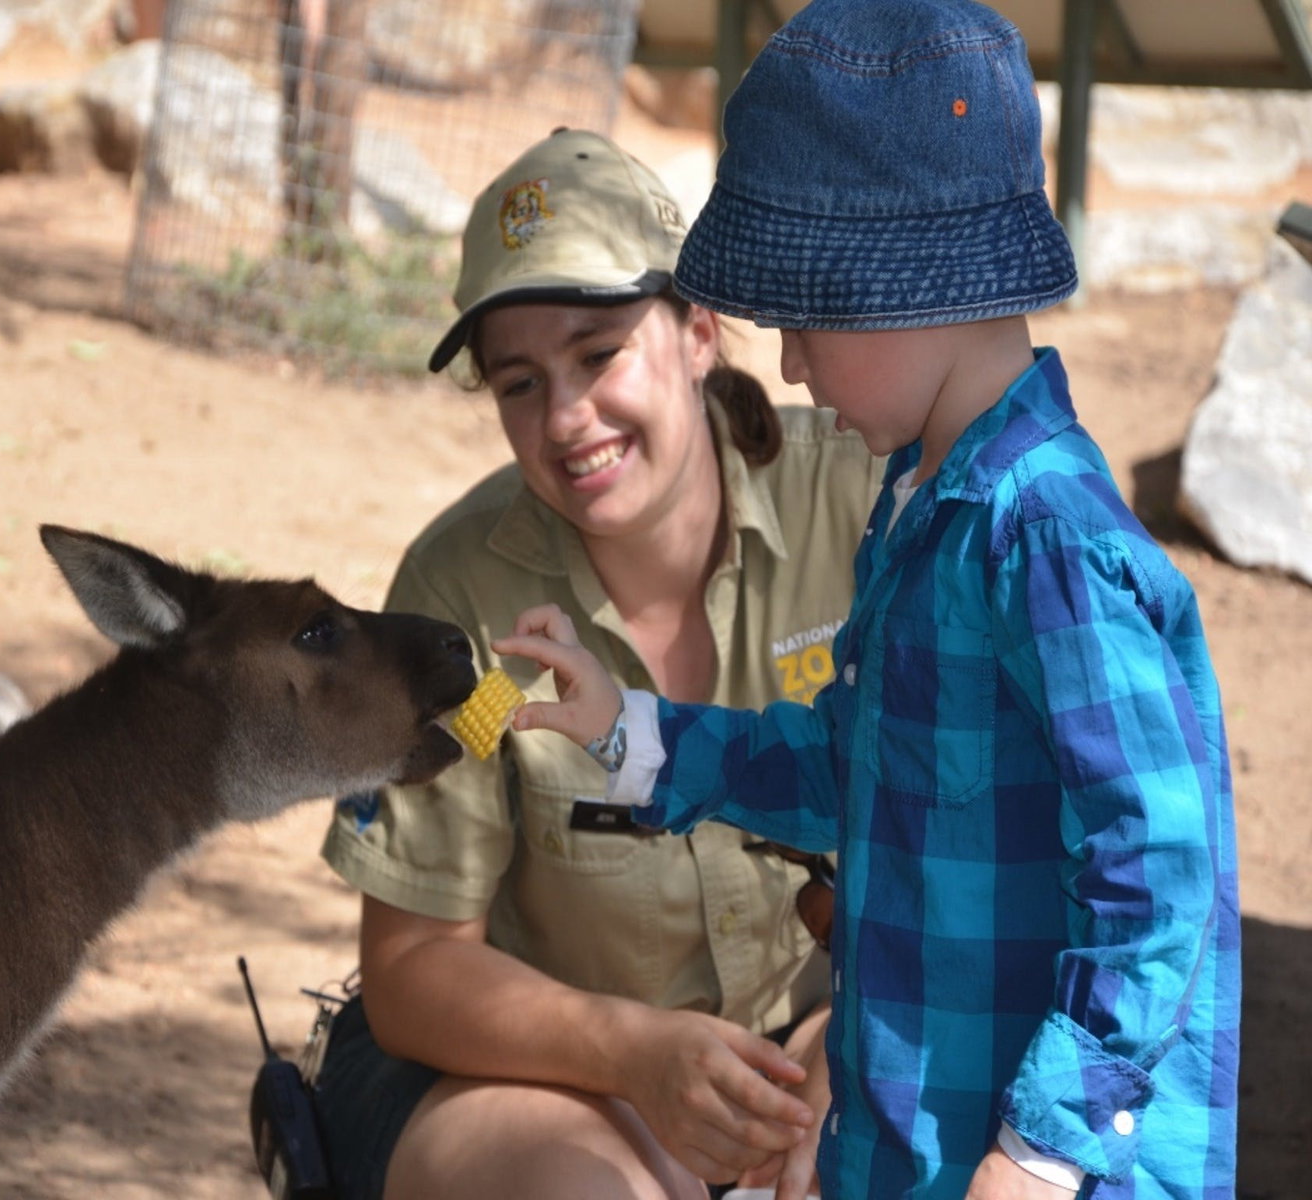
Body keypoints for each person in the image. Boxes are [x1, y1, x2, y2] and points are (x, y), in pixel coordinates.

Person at [493, 4, 1241, 1199]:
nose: (785, 364)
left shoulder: (1042, 541)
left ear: (906, 285)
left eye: (803, 316)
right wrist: (625, 731)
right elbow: (849, 762)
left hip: (1035, 1158)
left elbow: (1155, 873)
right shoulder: (914, 505)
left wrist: (1049, 1144)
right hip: (909, 1145)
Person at [311, 127, 883, 1200]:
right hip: (521, 1077)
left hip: (803, 1049)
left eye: (599, 353)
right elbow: (410, 972)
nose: (565, 419)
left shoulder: (859, 508)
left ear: (700, 330)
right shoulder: (457, 602)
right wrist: (632, 1056)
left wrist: (842, 1038)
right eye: (518, 383)